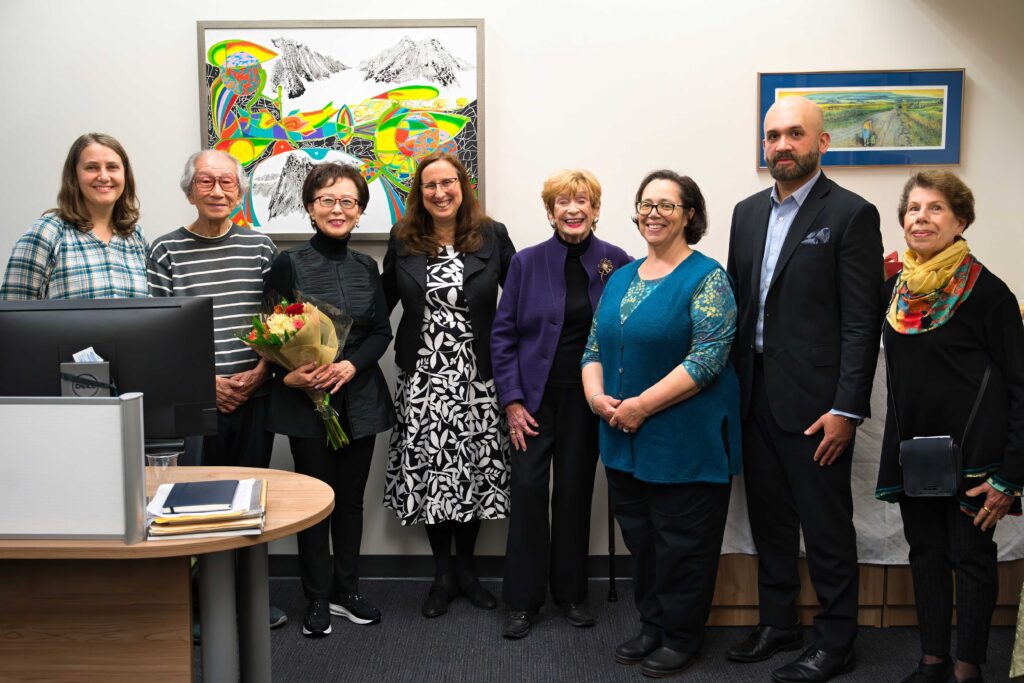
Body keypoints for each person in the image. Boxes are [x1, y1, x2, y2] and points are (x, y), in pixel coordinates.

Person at [725, 95, 883, 683]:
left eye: (795, 134)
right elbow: (739, 308)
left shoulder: (850, 214)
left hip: (818, 407)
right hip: (753, 394)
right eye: (772, 136)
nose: (782, 146)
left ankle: (837, 640)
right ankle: (778, 622)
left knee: (825, 526)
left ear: (822, 142)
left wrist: (847, 408)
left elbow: (861, 322)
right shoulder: (744, 213)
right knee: (768, 520)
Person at [581, 170, 741, 678]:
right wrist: (595, 398)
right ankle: (652, 625)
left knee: (683, 548)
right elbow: (593, 347)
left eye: (666, 205)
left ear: (689, 215)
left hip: (684, 442)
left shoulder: (708, 277)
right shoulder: (622, 276)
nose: (652, 213)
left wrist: (640, 406)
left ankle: (681, 637)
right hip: (622, 439)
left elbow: (708, 359)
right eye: (645, 204)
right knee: (644, 544)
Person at [874, 171, 1023, 683]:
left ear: (960, 221)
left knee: (971, 559)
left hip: (977, 460)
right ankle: (933, 659)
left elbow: (1022, 388)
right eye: (913, 208)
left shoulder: (989, 293)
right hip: (916, 454)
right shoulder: (894, 291)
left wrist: (1010, 476)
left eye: (936, 208)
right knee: (926, 555)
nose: (921, 217)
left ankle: (967, 666)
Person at [147, 150, 286, 630]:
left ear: (240, 191)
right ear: (190, 191)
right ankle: (199, 605)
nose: (218, 191)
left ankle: (248, 600)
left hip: (254, 395)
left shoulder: (262, 248)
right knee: (195, 504)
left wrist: (263, 369)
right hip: (193, 400)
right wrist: (205, 383)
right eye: (206, 182)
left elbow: (278, 320)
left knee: (250, 501)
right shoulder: (164, 251)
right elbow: (157, 331)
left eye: (227, 182)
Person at [490, 169, 632, 639]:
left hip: (588, 400)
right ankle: (522, 600)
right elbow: (503, 335)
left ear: (595, 208)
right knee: (529, 493)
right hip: (531, 399)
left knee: (573, 494)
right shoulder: (526, 263)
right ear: (550, 211)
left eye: (583, 200)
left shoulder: (618, 261)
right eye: (563, 202)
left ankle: (571, 593)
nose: (573, 209)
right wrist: (511, 400)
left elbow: (629, 328)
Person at [382, 150, 515, 619]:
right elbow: (380, 306)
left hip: (479, 376)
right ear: (419, 194)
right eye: (429, 185)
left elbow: (518, 300)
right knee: (432, 475)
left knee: (473, 474)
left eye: (448, 183)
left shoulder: (492, 236)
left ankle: (468, 572)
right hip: (423, 377)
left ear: (463, 186)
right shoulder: (403, 240)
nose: (440, 192)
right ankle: (442, 576)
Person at [265, 162, 395, 637]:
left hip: (357, 398)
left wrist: (350, 365)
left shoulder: (367, 266)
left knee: (351, 502)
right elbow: (271, 332)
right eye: (327, 200)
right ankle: (317, 597)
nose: (338, 209)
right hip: (308, 404)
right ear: (310, 207)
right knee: (316, 502)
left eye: (348, 202)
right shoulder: (288, 263)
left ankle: (348, 591)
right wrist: (295, 371)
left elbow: (380, 332)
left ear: (359, 212)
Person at [1, 132, 148, 300]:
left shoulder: (136, 237)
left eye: (112, 167)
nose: (104, 176)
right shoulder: (47, 232)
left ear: (125, 175)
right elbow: (12, 312)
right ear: (74, 176)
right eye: (91, 167)